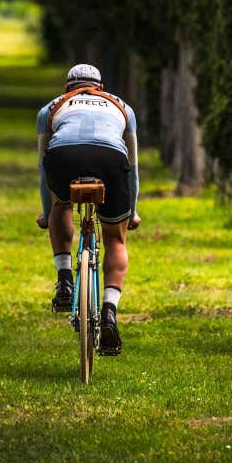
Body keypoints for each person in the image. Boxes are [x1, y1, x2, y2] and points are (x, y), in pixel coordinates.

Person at [36, 64, 140, 355]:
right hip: (111, 157)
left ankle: (65, 281)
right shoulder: (122, 107)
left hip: (64, 155)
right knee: (115, 239)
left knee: (62, 204)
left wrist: (48, 212)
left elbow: (44, 170)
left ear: (68, 87)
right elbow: (132, 168)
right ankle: (108, 311)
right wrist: (131, 211)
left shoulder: (52, 107)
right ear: (101, 87)